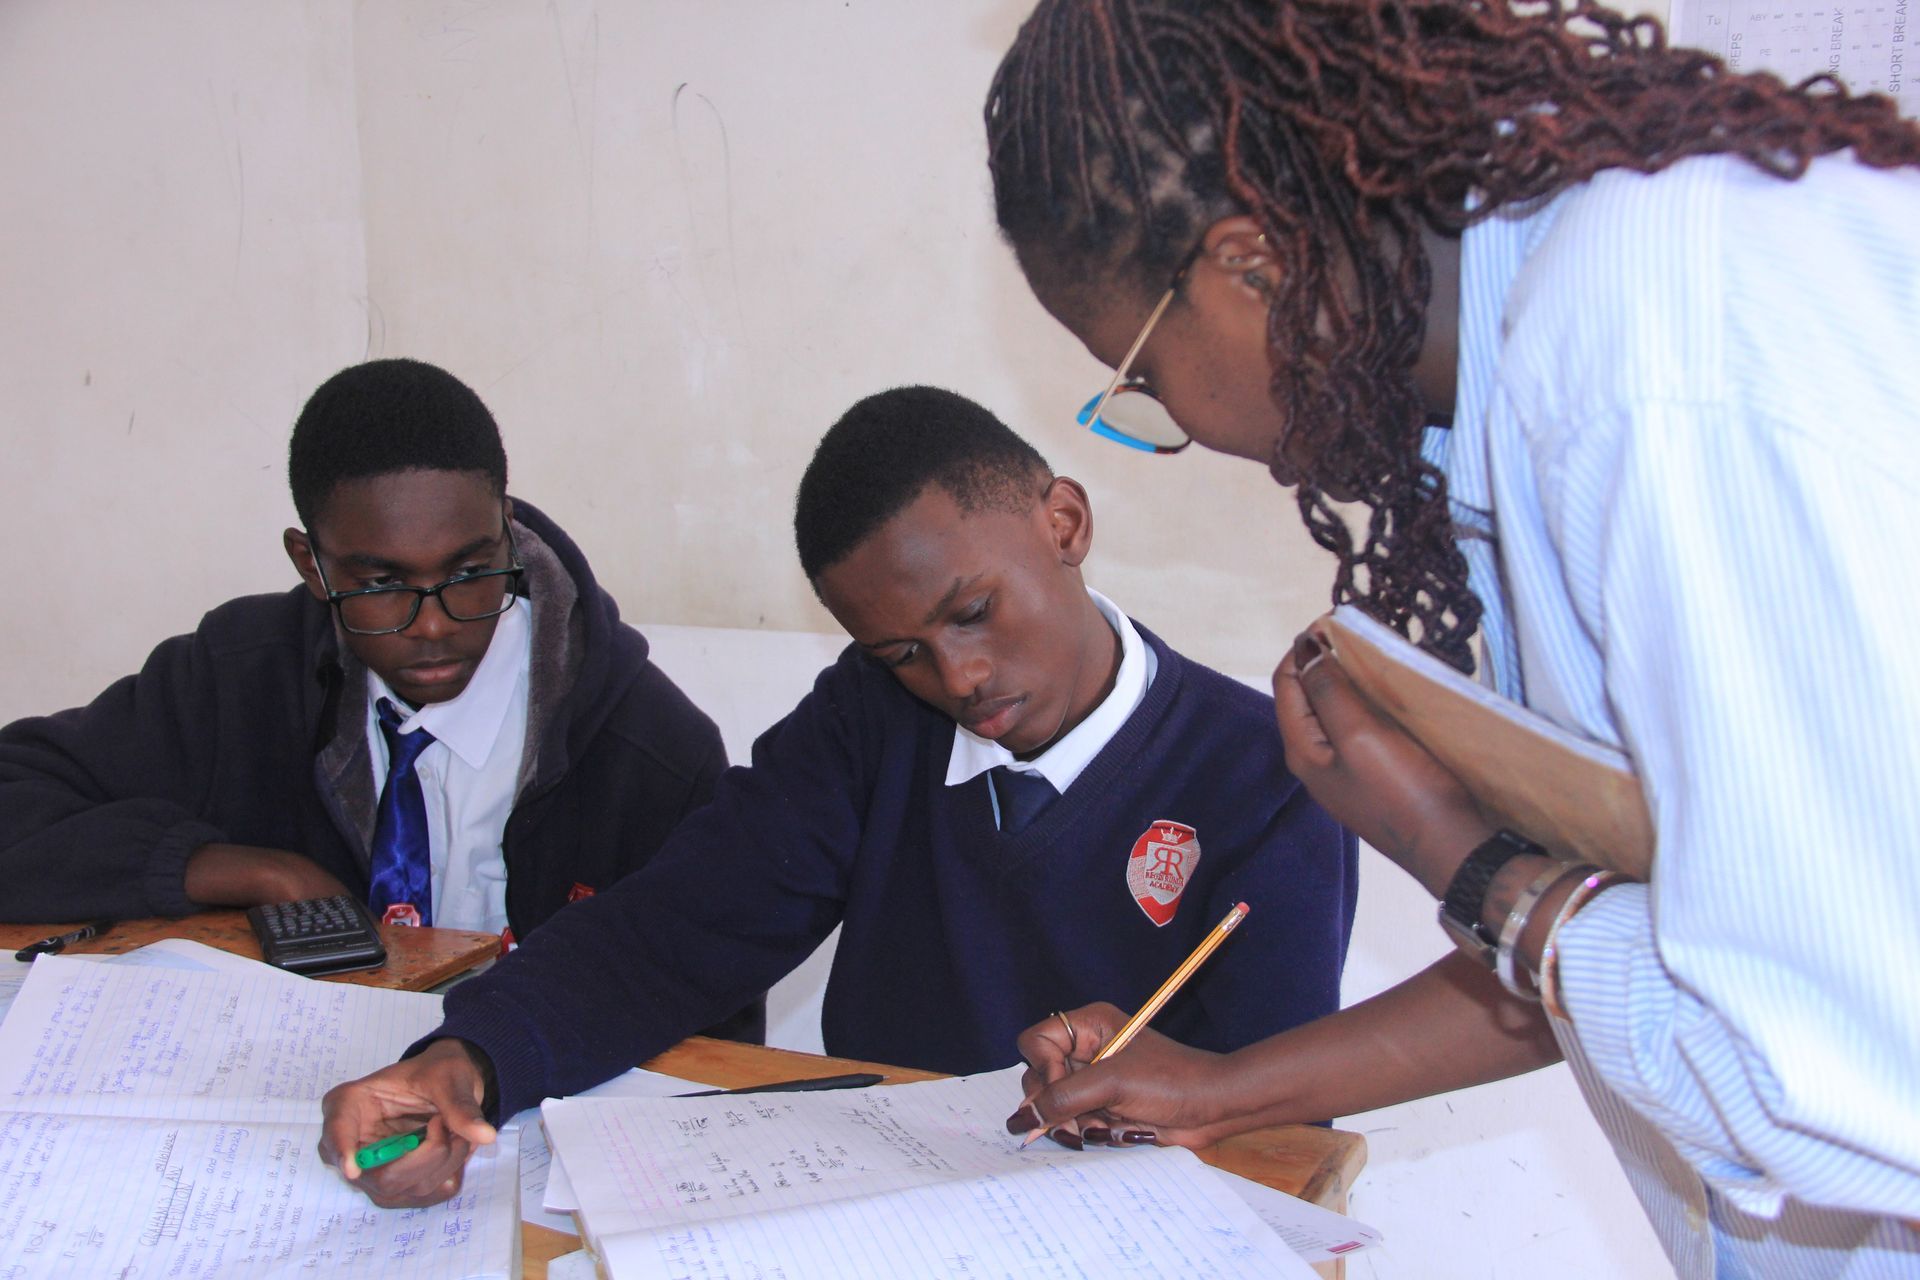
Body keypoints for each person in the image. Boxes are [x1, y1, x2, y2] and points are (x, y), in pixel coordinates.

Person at [985, 1, 1920, 1275]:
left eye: (1142, 375)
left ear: (1249, 264)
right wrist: (1220, 1087)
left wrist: (1452, 849)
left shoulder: (1640, 378)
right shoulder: (1529, 358)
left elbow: (1824, 1072)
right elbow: (1637, 947)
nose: (1185, 428)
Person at [316, 385, 1357, 1208]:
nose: (958, 678)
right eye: (901, 651)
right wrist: (470, 1059)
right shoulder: (873, 718)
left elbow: (1281, 1122)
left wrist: (1165, 1104)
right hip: (877, 1217)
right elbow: (671, 932)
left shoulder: (1266, 776)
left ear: (1065, 522)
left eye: (974, 611)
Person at [0, 360, 755, 1038]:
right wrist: (251, 873)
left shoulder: (649, 751)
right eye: (381, 584)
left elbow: (714, 1035)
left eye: (469, 573)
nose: (433, 626)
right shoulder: (235, 678)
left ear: (506, 533)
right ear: (311, 565)